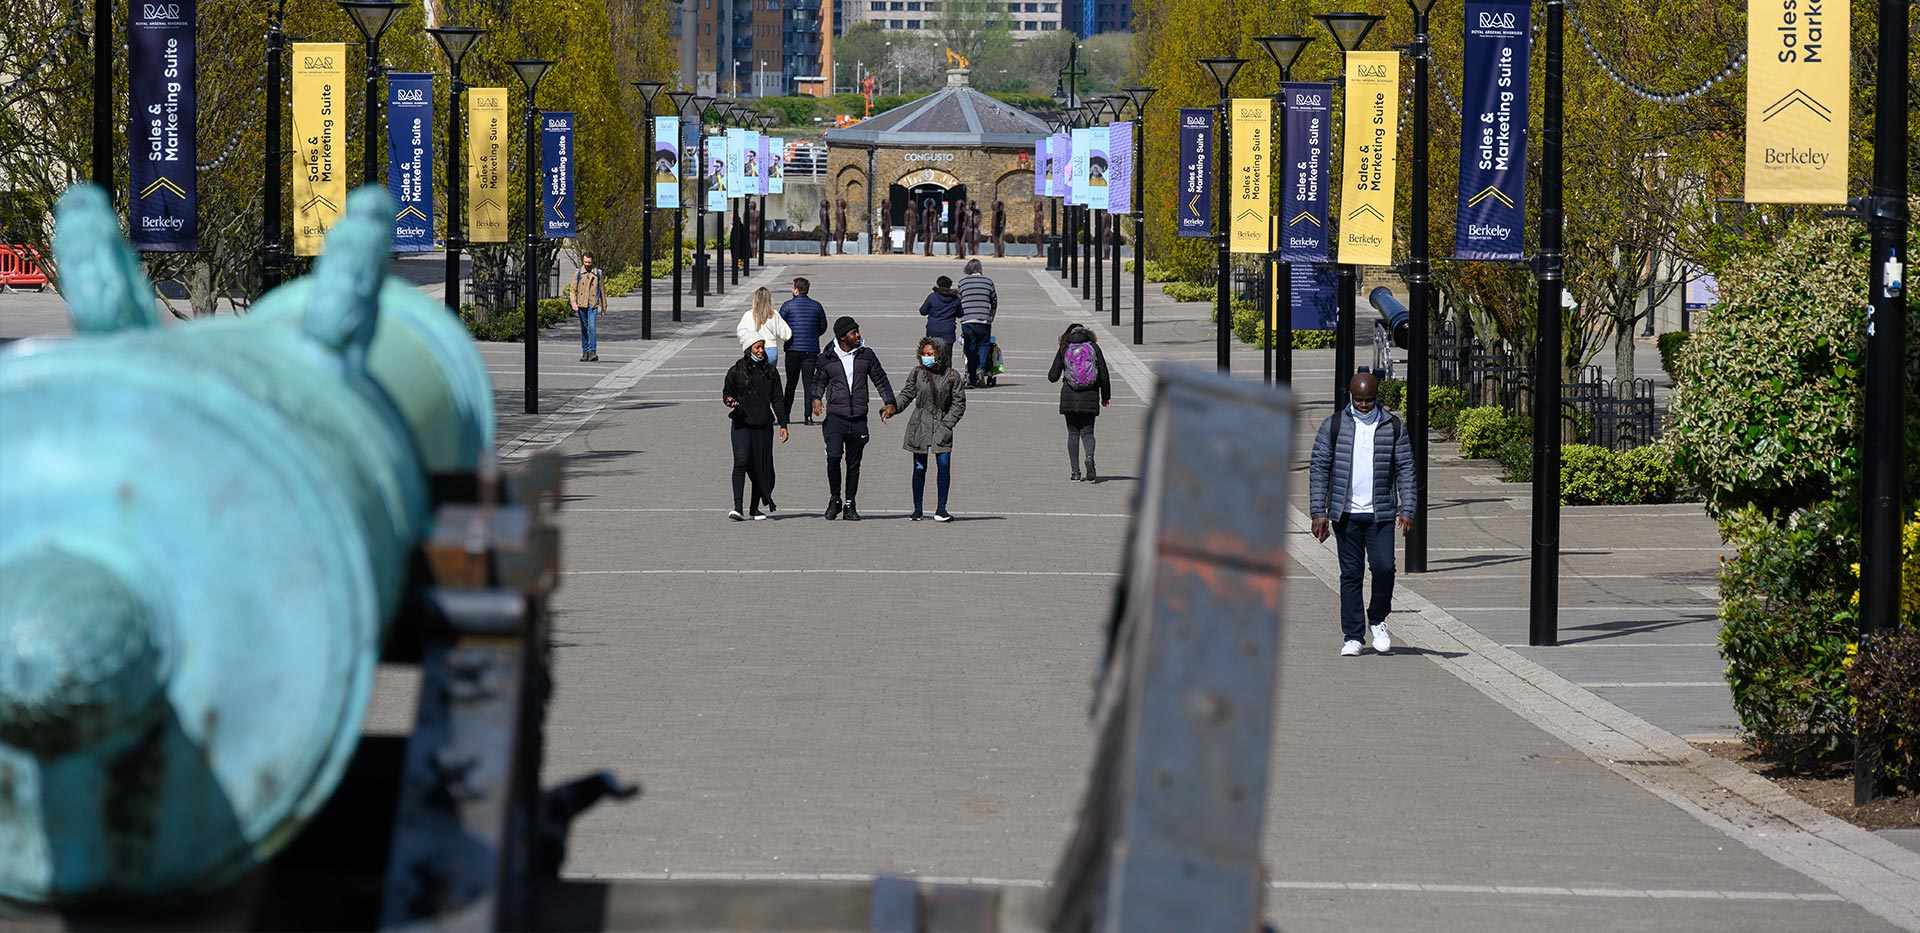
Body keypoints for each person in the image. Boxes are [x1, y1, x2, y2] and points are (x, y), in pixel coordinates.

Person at [1308, 372, 1417, 657]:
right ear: (1351, 397)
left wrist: (1407, 508)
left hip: (1380, 513)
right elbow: (1319, 468)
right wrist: (1318, 511)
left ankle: (1378, 618)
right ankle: (1353, 635)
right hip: (1346, 514)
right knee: (1351, 575)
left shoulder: (1393, 426)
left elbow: (1406, 468)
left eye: (1369, 400)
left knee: (1384, 568)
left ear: (1376, 398)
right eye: (1359, 400)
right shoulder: (1333, 425)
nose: (1364, 405)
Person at [811, 316, 896, 522]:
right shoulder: (827, 357)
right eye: (854, 332)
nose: (858, 335)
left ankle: (850, 504)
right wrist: (816, 398)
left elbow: (880, 378)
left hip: (858, 417)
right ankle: (835, 498)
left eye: (857, 331)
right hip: (835, 417)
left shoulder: (866, 355)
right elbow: (818, 381)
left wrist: (889, 402)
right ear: (843, 337)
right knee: (833, 458)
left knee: (853, 463)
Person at [894, 336, 966, 521]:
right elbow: (907, 394)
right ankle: (917, 509)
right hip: (920, 425)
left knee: (944, 466)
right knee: (919, 468)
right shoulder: (917, 373)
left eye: (930, 354)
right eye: (924, 354)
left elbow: (959, 403)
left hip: (942, 426)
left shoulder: (952, 376)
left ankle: (941, 509)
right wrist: (892, 408)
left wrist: (947, 424)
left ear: (939, 355)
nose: (926, 357)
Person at [723, 334, 790, 521]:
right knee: (741, 460)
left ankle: (754, 509)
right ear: (748, 349)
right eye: (757, 347)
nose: (761, 351)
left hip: (763, 424)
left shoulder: (770, 372)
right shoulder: (736, 370)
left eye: (762, 347)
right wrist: (729, 400)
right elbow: (727, 392)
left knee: (761, 466)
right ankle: (737, 508)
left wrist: (783, 424)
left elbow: (777, 399)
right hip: (741, 422)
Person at [1048, 323, 1111, 482]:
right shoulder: (1094, 347)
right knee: (1088, 433)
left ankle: (1075, 472)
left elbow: (1052, 376)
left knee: (1073, 434)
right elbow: (1104, 374)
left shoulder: (1065, 347)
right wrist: (1105, 396)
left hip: (1069, 396)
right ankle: (1089, 458)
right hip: (1090, 395)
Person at [778, 277, 828, 425]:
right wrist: (813, 334)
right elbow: (823, 326)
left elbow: (780, 325)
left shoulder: (787, 306)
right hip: (811, 349)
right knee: (809, 384)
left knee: (791, 383)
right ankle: (808, 416)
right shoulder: (816, 306)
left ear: (796, 290)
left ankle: (785, 415)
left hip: (792, 348)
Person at [956, 259, 998, 388]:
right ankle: (981, 369)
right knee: (984, 345)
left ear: (967, 269)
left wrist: (960, 315)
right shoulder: (988, 282)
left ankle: (971, 373)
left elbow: (958, 300)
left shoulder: (962, 282)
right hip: (984, 319)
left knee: (970, 347)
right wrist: (991, 316)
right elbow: (994, 301)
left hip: (967, 319)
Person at [737, 286, 792, 373]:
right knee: (770, 377)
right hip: (771, 349)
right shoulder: (774, 315)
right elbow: (787, 334)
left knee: (755, 376)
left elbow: (741, 332)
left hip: (754, 349)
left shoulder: (748, 315)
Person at [569, 252, 608, 362]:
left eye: (589, 262)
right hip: (581, 304)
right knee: (584, 329)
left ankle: (592, 352)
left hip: (593, 304)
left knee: (592, 328)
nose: (587, 264)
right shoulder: (578, 273)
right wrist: (573, 303)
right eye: (585, 262)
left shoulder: (598, 273)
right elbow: (572, 290)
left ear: (592, 261)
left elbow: (602, 291)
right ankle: (585, 352)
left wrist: (604, 307)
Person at [917, 275, 961, 343]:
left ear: (938, 285)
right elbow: (960, 314)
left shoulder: (932, 297)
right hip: (948, 329)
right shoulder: (955, 298)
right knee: (947, 349)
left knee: (933, 348)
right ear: (950, 286)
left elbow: (923, 311)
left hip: (933, 329)